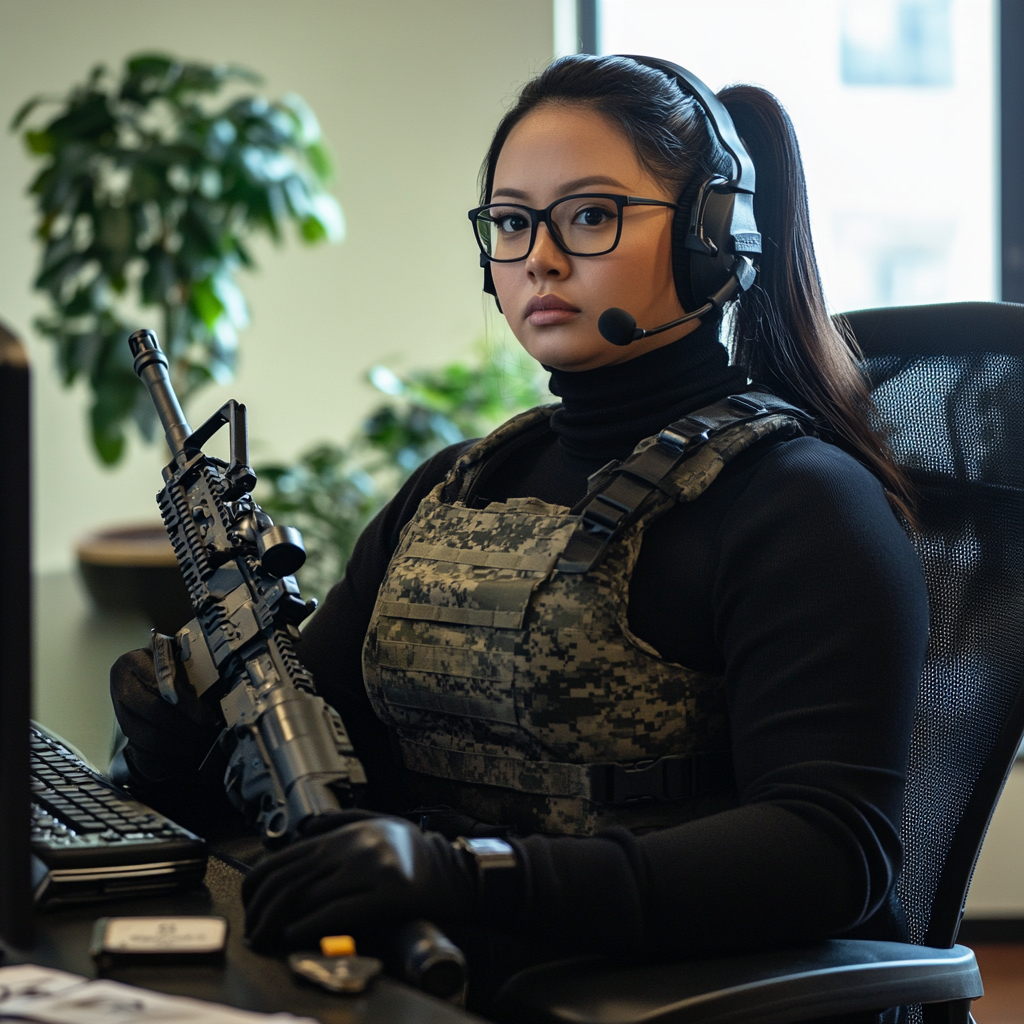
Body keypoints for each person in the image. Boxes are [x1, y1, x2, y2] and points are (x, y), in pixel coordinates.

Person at [111, 54, 928, 1010]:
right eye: (511, 221)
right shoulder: (457, 486)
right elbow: (313, 764)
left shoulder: (800, 502)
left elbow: (830, 850)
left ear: (711, 237)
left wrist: (472, 875)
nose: (539, 256)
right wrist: (176, 731)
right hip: (430, 985)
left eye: (589, 215)